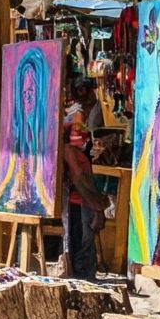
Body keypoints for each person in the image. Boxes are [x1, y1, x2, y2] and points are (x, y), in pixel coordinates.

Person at [63, 77, 108, 281]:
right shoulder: (71, 151)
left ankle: (85, 275)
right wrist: (98, 207)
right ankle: (84, 277)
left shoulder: (79, 151)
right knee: (82, 240)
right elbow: (79, 181)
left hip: (83, 202)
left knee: (83, 242)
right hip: (79, 202)